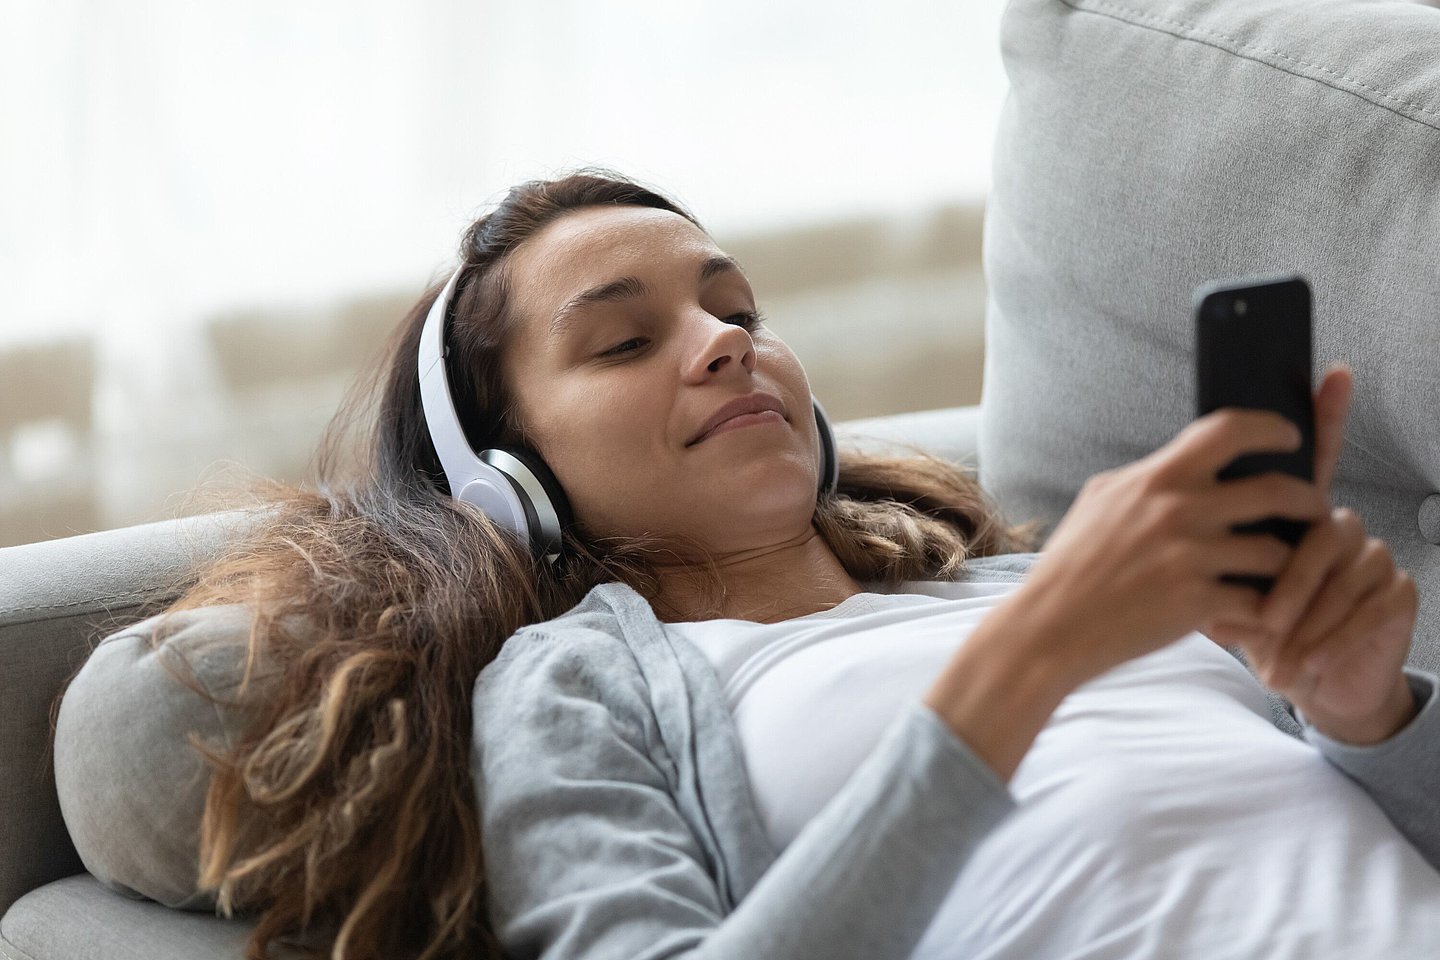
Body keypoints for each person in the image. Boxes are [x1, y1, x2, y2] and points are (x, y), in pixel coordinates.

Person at [159, 169, 1439, 960]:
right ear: (506, 476)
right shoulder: (576, 691)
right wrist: (1034, 659)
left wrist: (1365, 712)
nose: (725, 343)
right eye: (621, 343)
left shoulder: (1012, 586)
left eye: (739, 310)